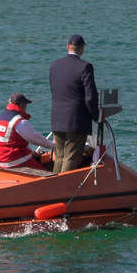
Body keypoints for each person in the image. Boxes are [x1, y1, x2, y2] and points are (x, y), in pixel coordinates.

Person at [49, 34, 100, 173]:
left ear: (67, 46)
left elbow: (55, 89)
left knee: (59, 157)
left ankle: (53, 187)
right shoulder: (85, 67)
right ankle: (61, 190)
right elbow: (90, 96)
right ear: (82, 48)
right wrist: (96, 116)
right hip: (76, 120)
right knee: (71, 158)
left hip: (57, 118)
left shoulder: (54, 65)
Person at [0, 92, 55, 172]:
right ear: (21, 105)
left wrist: (31, 152)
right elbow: (35, 138)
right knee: (46, 174)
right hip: (13, 161)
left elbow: (12, 142)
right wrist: (53, 145)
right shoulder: (18, 121)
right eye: (26, 104)